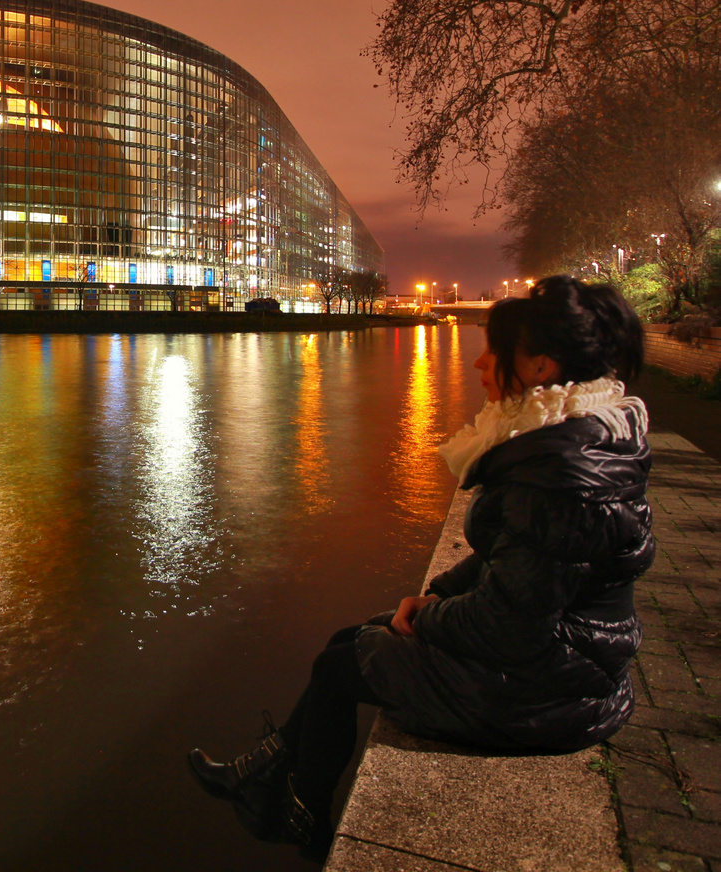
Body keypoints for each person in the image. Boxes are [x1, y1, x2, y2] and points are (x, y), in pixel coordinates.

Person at [187, 275, 654, 863]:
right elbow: (512, 562)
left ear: (539, 367)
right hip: (571, 667)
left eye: (494, 351)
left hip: (548, 695)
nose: (480, 364)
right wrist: (436, 595)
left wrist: (429, 619)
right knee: (348, 640)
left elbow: (512, 622)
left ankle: (298, 815)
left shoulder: (561, 474)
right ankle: (268, 774)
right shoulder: (579, 440)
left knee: (339, 666)